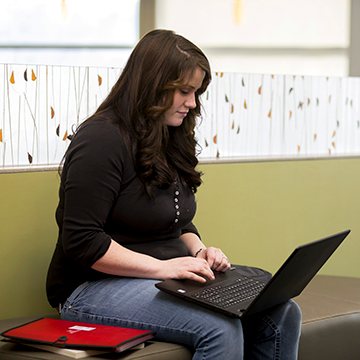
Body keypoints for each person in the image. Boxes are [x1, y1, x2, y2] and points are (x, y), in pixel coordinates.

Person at [46, 29, 302, 359]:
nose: (192, 103)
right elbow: (82, 240)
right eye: (184, 91)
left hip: (160, 278)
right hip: (90, 288)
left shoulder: (168, 135)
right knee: (220, 327)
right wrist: (162, 268)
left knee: (282, 313)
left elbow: (176, 222)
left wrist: (199, 252)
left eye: (196, 92)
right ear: (153, 85)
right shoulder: (101, 139)